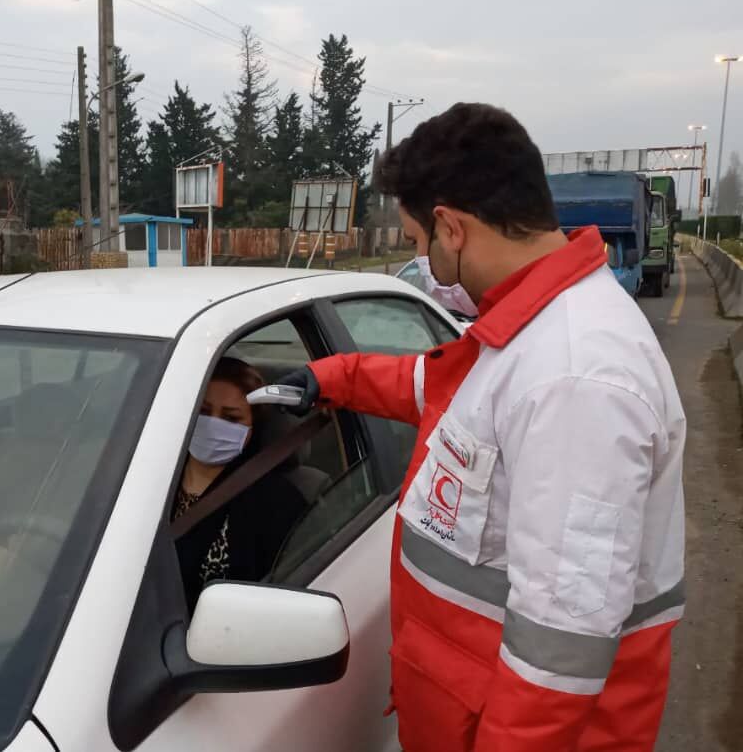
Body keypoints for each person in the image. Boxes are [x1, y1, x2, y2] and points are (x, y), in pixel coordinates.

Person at [280, 103, 685, 752]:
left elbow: (561, 648)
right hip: (460, 704)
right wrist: (329, 379)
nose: (425, 264)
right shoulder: (530, 332)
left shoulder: (577, 377)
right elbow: (433, 389)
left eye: (418, 243)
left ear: (452, 227)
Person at [173, 356, 307, 610]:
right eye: (202, 412)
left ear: (252, 429)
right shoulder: (146, 477)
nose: (213, 424)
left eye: (231, 418)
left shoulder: (276, 501)